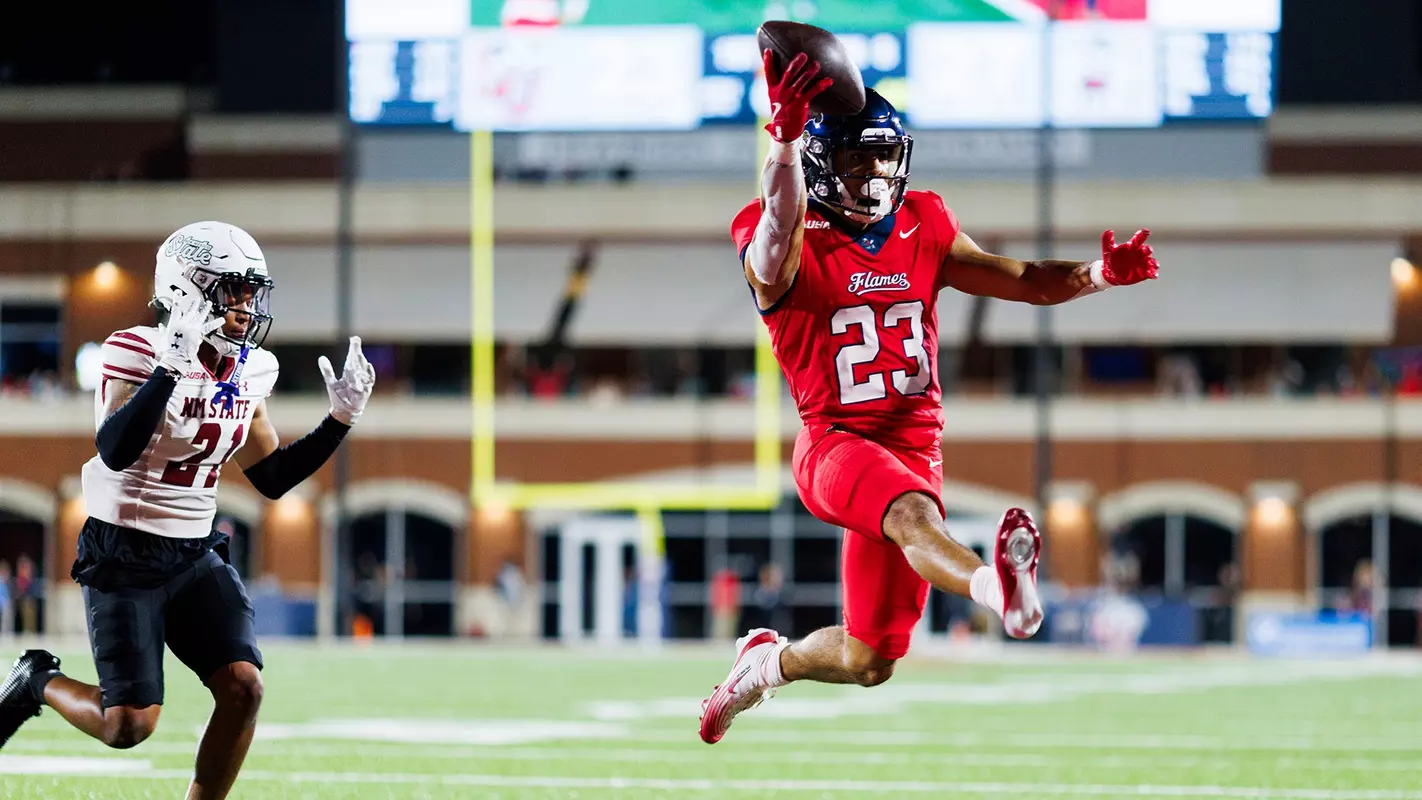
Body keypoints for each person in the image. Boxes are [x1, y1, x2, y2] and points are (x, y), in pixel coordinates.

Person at [699, 53, 1159, 744]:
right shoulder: (782, 232)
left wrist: (1098, 274)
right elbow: (771, 247)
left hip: (914, 447)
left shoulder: (925, 220)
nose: (877, 175)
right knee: (914, 514)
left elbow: (1027, 279)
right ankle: (998, 591)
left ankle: (765, 664)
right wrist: (786, 141)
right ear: (823, 164)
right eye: (859, 162)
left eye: (884, 158)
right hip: (835, 442)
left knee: (870, 658)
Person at [0, 221, 376, 800]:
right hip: (123, 549)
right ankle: (36, 680)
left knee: (244, 687)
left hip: (193, 552)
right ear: (186, 290)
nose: (246, 308)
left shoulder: (251, 370)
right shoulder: (134, 350)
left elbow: (271, 476)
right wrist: (169, 371)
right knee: (128, 725)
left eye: (253, 293)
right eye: (232, 291)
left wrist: (339, 421)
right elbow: (116, 449)